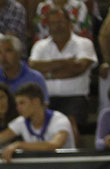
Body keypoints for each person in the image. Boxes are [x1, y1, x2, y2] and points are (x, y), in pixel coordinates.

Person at [0, 82, 73, 161]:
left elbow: (55, 145)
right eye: (17, 104)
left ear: (36, 101)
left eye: (22, 103)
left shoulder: (59, 120)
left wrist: (19, 145)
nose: (18, 108)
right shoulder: (21, 122)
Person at [28, 7, 96, 144]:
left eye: (60, 22)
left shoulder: (84, 43)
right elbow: (34, 67)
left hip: (75, 97)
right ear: (48, 26)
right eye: (53, 23)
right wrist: (66, 62)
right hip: (46, 98)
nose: (57, 26)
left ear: (69, 23)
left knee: (69, 121)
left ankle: (73, 160)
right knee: (37, 117)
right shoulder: (40, 46)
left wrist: (48, 73)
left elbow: (79, 68)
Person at [0, 35, 48, 107]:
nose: (3, 57)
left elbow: (44, 108)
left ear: (19, 53)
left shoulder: (36, 79)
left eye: (8, 51)